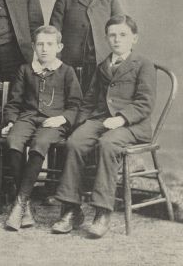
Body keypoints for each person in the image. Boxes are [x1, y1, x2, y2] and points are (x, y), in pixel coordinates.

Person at [51, 15, 156, 238]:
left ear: (134, 38)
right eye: (112, 35)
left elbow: (145, 103)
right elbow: (89, 101)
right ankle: (71, 209)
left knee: (108, 144)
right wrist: (76, 125)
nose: (117, 40)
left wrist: (121, 119)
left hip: (131, 124)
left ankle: (102, 211)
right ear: (106, 38)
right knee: (75, 143)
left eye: (123, 35)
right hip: (100, 120)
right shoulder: (102, 66)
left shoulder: (143, 64)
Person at [1, 26, 82, 230]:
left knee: (41, 142)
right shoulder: (26, 70)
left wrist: (62, 119)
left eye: (49, 44)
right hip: (27, 117)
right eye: (40, 44)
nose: (44, 49)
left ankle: (18, 205)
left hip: (53, 121)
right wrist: (11, 121)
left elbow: (76, 105)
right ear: (34, 47)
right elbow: (14, 102)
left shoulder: (67, 72)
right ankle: (25, 204)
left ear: (59, 47)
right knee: (13, 140)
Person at [50, 0, 124, 93]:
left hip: (104, 66)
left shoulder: (110, 1)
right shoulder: (64, 0)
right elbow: (54, 37)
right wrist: (57, 67)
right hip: (71, 67)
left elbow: (121, 34)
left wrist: (118, 64)